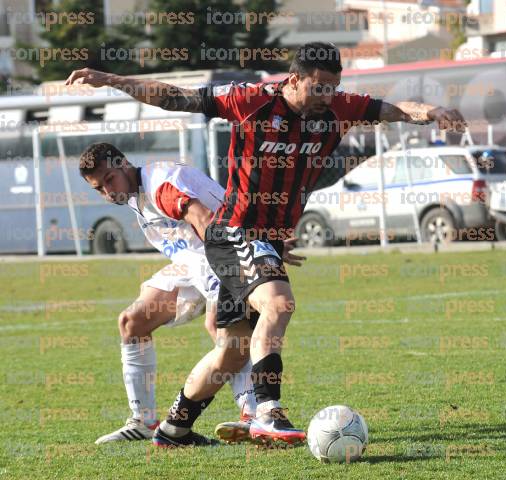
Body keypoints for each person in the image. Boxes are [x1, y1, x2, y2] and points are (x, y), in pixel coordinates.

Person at [66, 41, 466, 447]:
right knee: (278, 304)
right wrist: (110, 79)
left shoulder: (339, 108)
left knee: (233, 351)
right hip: (236, 231)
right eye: (319, 87)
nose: (327, 96)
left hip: (265, 241)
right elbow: (176, 98)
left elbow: (393, 109)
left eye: (334, 87)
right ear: (294, 79)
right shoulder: (252, 100)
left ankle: (174, 428)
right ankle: (266, 412)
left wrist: (431, 113)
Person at [79, 143, 305, 445]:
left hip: (218, 255)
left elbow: (204, 218)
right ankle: (144, 421)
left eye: (109, 179)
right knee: (132, 322)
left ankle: (253, 415)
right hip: (190, 263)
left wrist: (248, 252)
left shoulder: (161, 185)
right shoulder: (134, 192)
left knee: (225, 333)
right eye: (99, 188)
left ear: (123, 163)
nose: (108, 192)